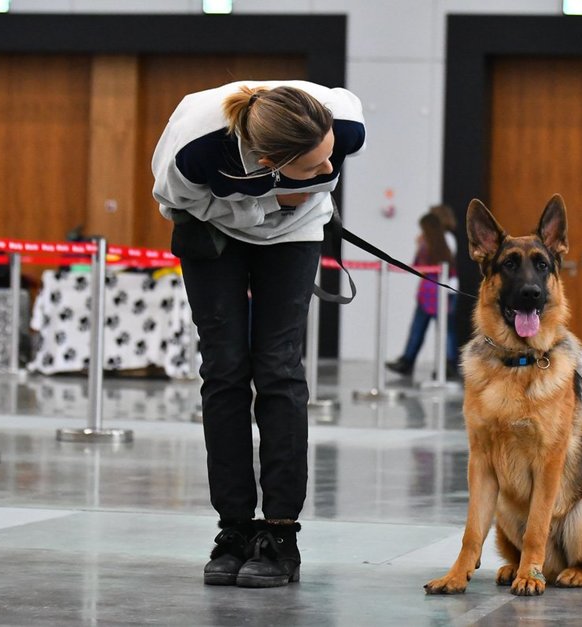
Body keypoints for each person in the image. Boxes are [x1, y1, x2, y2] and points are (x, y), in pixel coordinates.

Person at [152, 80, 365, 588]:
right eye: (313, 166)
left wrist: (290, 200)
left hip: (296, 231)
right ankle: (234, 530)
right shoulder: (196, 148)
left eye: (329, 158)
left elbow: (321, 174)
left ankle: (279, 534)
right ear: (270, 158)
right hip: (216, 228)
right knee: (223, 371)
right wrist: (257, 207)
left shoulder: (346, 128)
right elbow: (174, 201)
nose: (329, 171)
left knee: (279, 369)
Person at [385, 204, 459, 380]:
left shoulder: (441, 240)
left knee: (440, 329)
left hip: (437, 289)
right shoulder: (436, 241)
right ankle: (411, 361)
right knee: (426, 328)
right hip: (436, 289)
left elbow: (420, 265)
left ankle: (445, 364)